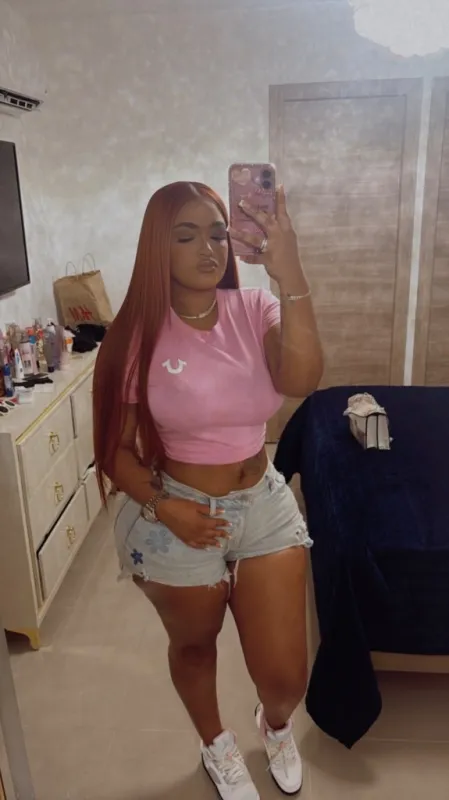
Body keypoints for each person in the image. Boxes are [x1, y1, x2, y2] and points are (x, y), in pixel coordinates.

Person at [93, 180, 323, 800]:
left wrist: (290, 275)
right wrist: (167, 508)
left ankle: (275, 725)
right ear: (156, 246)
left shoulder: (255, 309)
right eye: (186, 235)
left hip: (262, 504)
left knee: (285, 678)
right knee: (193, 647)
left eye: (218, 234)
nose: (208, 248)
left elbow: (302, 378)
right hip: (175, 512)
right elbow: (114, 450)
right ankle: (215, 743)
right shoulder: (135, 333)